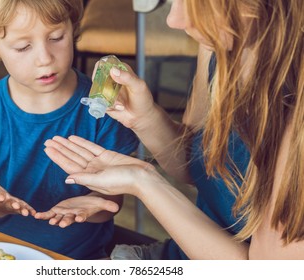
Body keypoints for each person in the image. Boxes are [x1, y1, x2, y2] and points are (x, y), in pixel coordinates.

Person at [43, 0, 304, 259]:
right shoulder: (219, 44)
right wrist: (144, 118)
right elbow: (199, 166)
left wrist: (143, 182)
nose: (174, 20)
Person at [0, 0, 139, 260]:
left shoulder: (104, 109)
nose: (45, 58)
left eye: (57, 37)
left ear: (73, 28)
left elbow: (111, 204)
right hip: (1, 254)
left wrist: (92, 207)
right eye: (23, 46)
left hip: (77, 257)